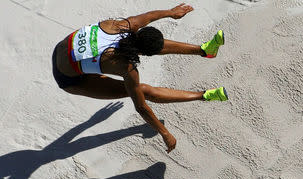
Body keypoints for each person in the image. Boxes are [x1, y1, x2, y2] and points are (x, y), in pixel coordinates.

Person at [52, 3, 228, 153]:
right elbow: (141, 106)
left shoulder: (121, 25)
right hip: (69, 78)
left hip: (62, 48)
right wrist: (164, 132)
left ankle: (205, 50)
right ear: (143, 54)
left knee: (146, 44)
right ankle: (203, 95)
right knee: (142, 90)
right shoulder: (125, 67)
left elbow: (150, 16)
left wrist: (171, 13)